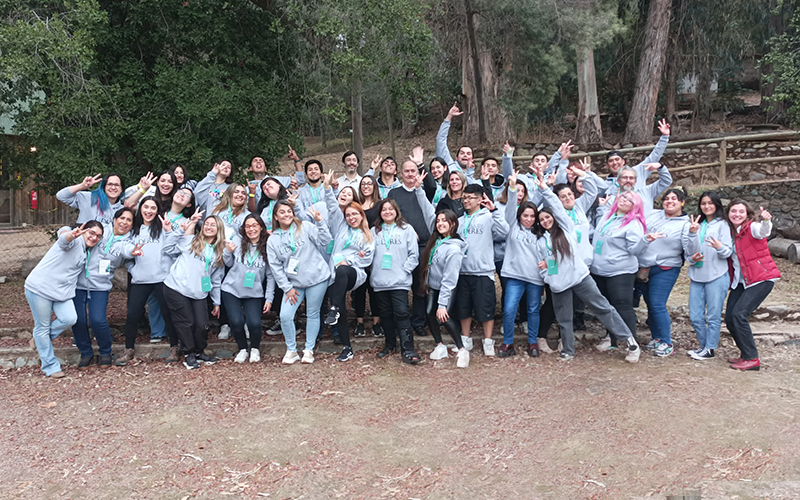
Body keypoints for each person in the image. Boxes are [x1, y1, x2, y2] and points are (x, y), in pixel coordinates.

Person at [533, 176, 643, 362]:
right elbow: (547, 265)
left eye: (548, 217)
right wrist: (550, 277)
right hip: (560, 283)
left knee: (603, 308)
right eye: (542, 219)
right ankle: (568, 350)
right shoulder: (541, 242)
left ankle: (630, 341)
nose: (545, 221)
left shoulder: (566, 227)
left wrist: (545, 188)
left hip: (580, 276)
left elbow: (558, 207)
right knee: (564, 318)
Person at [25, 221, 104, 378]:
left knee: (70, 318)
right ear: (84, 231)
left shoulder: (85, 250)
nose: (94, 237)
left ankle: (39, 340)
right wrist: (70, 235)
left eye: (99, 236)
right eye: (92, 233)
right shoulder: (74, 242)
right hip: (40, 288)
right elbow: (64, 238)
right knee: (42, 326)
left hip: (61, 293)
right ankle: (50, 367)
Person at [116, 197, 180, 366]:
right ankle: (128, 349)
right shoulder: (134, 229)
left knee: (168, 313)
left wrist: (169, 231)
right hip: (140, 279)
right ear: (140, 209)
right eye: (146, 207)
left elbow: (174, 249)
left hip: (162, 278)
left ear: (157, 210)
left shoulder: (164, 227)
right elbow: (124, 249)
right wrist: (132, 265)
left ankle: (174, 346)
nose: (149, 211)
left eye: (153, 207)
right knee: (132, 315)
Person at [267, 201, 332, 364]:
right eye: (282, 212)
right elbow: (276, 268)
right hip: (293, 284)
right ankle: (291, 350)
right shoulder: (273, 240)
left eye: (289, 211)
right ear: (276, 216)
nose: (287, 214)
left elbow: (325, 240)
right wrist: (287, 288)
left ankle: (309, 350)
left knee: (313, 313)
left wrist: (320, 222)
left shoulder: (305, 226)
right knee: (285, 315)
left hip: (316, 278)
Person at [455, 183, 513, 356]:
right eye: (464, 197)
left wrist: (494, 210)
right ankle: (466, 339)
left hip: (483, 271)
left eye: (470, 197)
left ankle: (488, 341)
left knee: (486, 307)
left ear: (480, 199)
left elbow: (504, 232)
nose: (466, 200)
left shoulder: (489, 217)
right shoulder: (460, 221)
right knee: (464, 308)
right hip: (463, 271)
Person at [163, 212, 226, 370]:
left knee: (202, 324)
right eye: (207, 224)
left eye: (213, 224)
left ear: (219, 229)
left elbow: (216, 280)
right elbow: (168, 248)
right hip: (177, 287)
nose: (209, 227)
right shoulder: (191, 240)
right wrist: (188, 224)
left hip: (199, 292)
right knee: (186, 322)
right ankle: (188, 354)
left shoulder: (219, 253)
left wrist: (217, 302)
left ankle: (199, 351)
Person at [72, 208, 134, 369]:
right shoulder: (100, 230)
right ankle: (86, 352)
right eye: (122, 218)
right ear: (114, 219)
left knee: (97, 320)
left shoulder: (128, 241)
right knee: (77, 320)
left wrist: (133, 252)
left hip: (100, 286)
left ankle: (105, 351)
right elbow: (76, 231)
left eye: (129, 220)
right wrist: (67, 232)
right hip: (78, 284)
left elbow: (127, 251)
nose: (124, 222)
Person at [322, 175, 375, 362]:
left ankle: (334, 307)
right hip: (334, 275)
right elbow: (331, 205)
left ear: (362, 215)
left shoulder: (368, 234)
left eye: (355, 214)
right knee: (341, 313)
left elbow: (366, 258)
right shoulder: (341, 227)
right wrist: (328, 188)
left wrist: (349, 260)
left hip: (354, 274)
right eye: (348, 215)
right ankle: (347, 347)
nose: (351, 218)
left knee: (343, 270)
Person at [591, 191, 651, 351]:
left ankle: (632, 343)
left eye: (629, 200)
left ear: (635, 205)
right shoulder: (607, 216)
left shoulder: (633, 224)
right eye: (623, 197)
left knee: (623, 306)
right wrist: (601, 208)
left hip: (619, 272)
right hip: (599, 270)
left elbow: (635, 249)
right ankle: (612, 339)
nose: (624, 200)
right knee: (607, 307)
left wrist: (645, 241)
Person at [725, 200, 780, 371]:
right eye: (733, 211)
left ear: (747, 213)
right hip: (741, 282)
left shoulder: (752, 227)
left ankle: (752, 358)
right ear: (728, 213)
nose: (737, 214)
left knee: (740, 314)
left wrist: (765, 220)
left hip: (761, 278)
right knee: (730, 318)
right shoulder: (731, 232)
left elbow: (763, 232)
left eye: (741, 211)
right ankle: (744, 354)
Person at [387, 153, 438, 337]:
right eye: (407, 171)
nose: (410, 174)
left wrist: (421, 163)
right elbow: (393, 215)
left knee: (420, 286)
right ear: (401, 173)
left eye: (413, 171)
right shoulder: (394, 193)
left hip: (424, 245)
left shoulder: (424, 189)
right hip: (401, 246)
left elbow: (432, 184)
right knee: (399, 283)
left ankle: (419, 321)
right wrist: (407, 230)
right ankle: (399, 320)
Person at [635, 188, 689, 357]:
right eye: (667, 198)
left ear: (682, 202)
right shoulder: (653, 214)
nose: (670, 201)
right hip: (644, 266)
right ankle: (657, 338)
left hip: (666, 267)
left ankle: (667, 342)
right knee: (650, 303)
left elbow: (689, 247)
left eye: (674, 198)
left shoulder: (686, 224)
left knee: (658, 304)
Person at [370, 198, 421, 363]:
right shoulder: (373, 231)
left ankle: (408, 349)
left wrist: (404, 271)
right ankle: (390, 344)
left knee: (402, 314)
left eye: (390, 209)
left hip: (399, 280)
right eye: (384, 209)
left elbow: (414, 255)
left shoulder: (406, 229)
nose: (387, 212)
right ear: (380, 213)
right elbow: (369, 254)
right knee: (385, 315)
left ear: (396, 211)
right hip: (380, 281)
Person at [497, 175, 543, 358]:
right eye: (525, 215)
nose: (529, 219)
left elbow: (550, 252)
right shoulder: (512, 225)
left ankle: (533, 342)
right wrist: (513, 187)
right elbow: (509, 207)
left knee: (533, 309)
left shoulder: (541, 232)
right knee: (509, 309)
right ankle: (508, 343)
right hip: (514, 276)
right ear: (519, 215)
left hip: (535, 278)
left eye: (532, 216)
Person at [685, 191, 733, 361]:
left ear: (717, 205)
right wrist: (692, 235)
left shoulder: (723, 225)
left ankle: (710, 348)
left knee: (713, 316)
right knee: (696, 316)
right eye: (703, 203)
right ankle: (705, 347)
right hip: (697, 275)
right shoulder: (696, 224)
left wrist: (719, 246)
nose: (707, 206)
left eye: (710, 203)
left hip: (717, 276)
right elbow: (688, 253)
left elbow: (728, 252)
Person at [222, 214, 275, 363]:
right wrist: (227, 251)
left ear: (261, 227)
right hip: (231, 289)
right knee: (237, 322)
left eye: (254, 225)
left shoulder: (268, 246)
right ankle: (242, 349)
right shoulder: (238, 241)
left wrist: (269, 298)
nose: (251, 229)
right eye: (248, 226)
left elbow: (271, 276)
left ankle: (255, 349)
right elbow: (228, 263)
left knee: (254, 323)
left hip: (254, 291)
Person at [420, 210, 469, 367]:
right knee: (428, 313)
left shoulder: (454, 248)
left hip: (446, 287)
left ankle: (462, 349)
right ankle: (440, 345)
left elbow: (449, 278)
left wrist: (442, 304)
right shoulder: (437, 241)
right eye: (438, 220)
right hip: (432, 285)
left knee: (443, 316)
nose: (440, 223)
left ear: (453, 224)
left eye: (444, 221)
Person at [603, 119, 671, 195]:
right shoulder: (605, 184)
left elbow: (655, 155)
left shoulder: (639, 170)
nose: (615, 163)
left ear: (623, 162)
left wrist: (665, 137)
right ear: (607, 165)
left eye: (617, 159)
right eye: (611, 161)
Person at [57, 173, 126, 225]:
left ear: (121, 189)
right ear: (104, 187)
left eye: (117, 185)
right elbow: (61, 196)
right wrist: (82, 186)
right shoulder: (89, 198)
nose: (113, 187)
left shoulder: (123, 210)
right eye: (110, 184)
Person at [436, 102, 479, 183]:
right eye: (462, 153)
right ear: (456, 158)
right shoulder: (449, 165)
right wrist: (449, 117)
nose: (465, 155)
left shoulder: (473, 178)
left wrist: (470, 172)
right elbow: (440, 140)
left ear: (472, 158)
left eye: (468, 154)